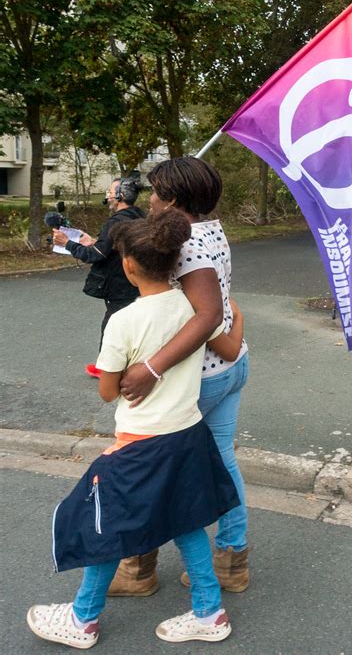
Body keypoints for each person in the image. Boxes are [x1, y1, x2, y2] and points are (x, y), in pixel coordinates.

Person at [26, 207, 244, 649]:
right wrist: (237, 315)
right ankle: (209, 611)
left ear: (127, 265)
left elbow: (110, 391)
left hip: (140, 443)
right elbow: (224, 336)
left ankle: (83, 618)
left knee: (106, 527)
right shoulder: (191, 306)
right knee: (186, 523)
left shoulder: (123, 320)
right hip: (186, 432)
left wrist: (118, 373)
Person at [110, 156, 250, 597]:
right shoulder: (212, 229)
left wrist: (151, 367)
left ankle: (137, 570)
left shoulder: (187, 245)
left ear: (170, 199)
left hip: (198, 378)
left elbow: (206, 315)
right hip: (231, 365)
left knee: (151, 469)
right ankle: (231, 561)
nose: (149, 199)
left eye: (154, 192)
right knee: (223, 462)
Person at [53, 176, 145, 377]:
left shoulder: (116, 221)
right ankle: (122, 363)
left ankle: (108, 368)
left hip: (119, 282)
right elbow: (112, 247)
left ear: (120, 196)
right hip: (137, 279)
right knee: (129, 322)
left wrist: (66, 243)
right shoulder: (139, 216)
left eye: (110, 192)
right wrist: (94, 241)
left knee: (113, 325)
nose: (108, 196)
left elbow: (96, 255)